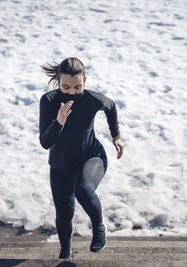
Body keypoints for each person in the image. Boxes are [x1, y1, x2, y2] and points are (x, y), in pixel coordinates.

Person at [39, 57, 124, 259]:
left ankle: (99, 228)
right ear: (58, 81)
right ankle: (65, 252)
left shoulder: (92, 99)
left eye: (78, 87)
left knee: (84, 190)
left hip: (91, 156)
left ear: (85, 80)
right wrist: (59, 121)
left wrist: (116, 136)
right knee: (64, 213)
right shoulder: (49, 101)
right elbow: (45, 142)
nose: (72, 92)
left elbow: (110, 106)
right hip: (60, 166)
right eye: (66, 87)